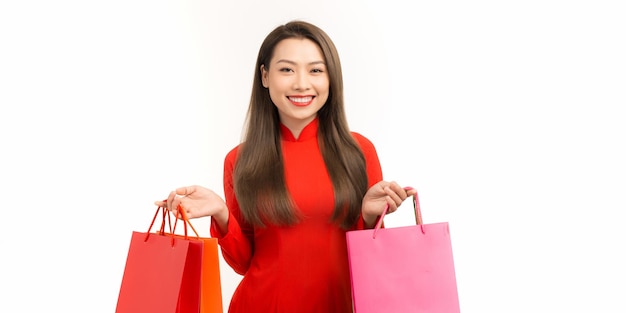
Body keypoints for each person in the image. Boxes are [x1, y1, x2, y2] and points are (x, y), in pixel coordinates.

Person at [156, 20, 417, 313]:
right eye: (287, 69)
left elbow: (368, 262)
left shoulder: (359, 151)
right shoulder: (240, 160)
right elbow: (243, 263)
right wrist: (221, 213)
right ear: (265, 76)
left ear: (331, 78)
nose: (301, 83)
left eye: (316, 70)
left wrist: (370, 218)